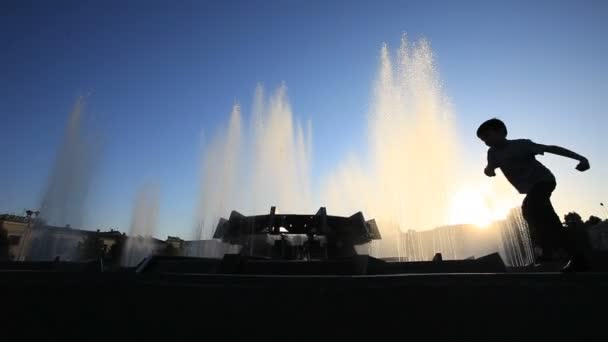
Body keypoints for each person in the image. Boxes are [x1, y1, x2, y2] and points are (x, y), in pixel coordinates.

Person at [476, 118, 590, 272]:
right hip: (532, 190)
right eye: (483, 140)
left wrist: (581, 158)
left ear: (502, 132)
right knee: (549, 221)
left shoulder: (521, 145)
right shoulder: (493, 153)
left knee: (529, 208)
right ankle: (572, 256)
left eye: (488, 136)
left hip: (544, 181)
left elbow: (551, 148)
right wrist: (489, 170)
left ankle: (547, 251)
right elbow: (490, 166)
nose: (486, 142)